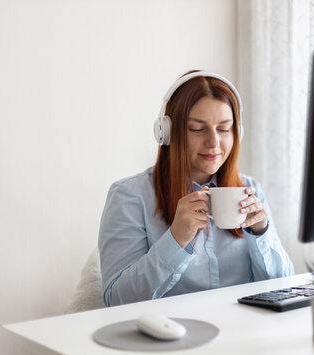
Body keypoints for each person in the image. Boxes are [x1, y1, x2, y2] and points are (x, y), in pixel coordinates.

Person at [98, 71, 294, 306]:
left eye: (224, 129)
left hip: (243, 333)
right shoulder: (130, 196)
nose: (213, 142)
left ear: (236, 132)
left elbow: (285, 289)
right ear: (167, 132)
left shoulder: (249, 189)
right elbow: (116, 301)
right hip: (174, 335)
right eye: (197, 128)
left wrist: (262, 233)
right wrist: (176, 239)